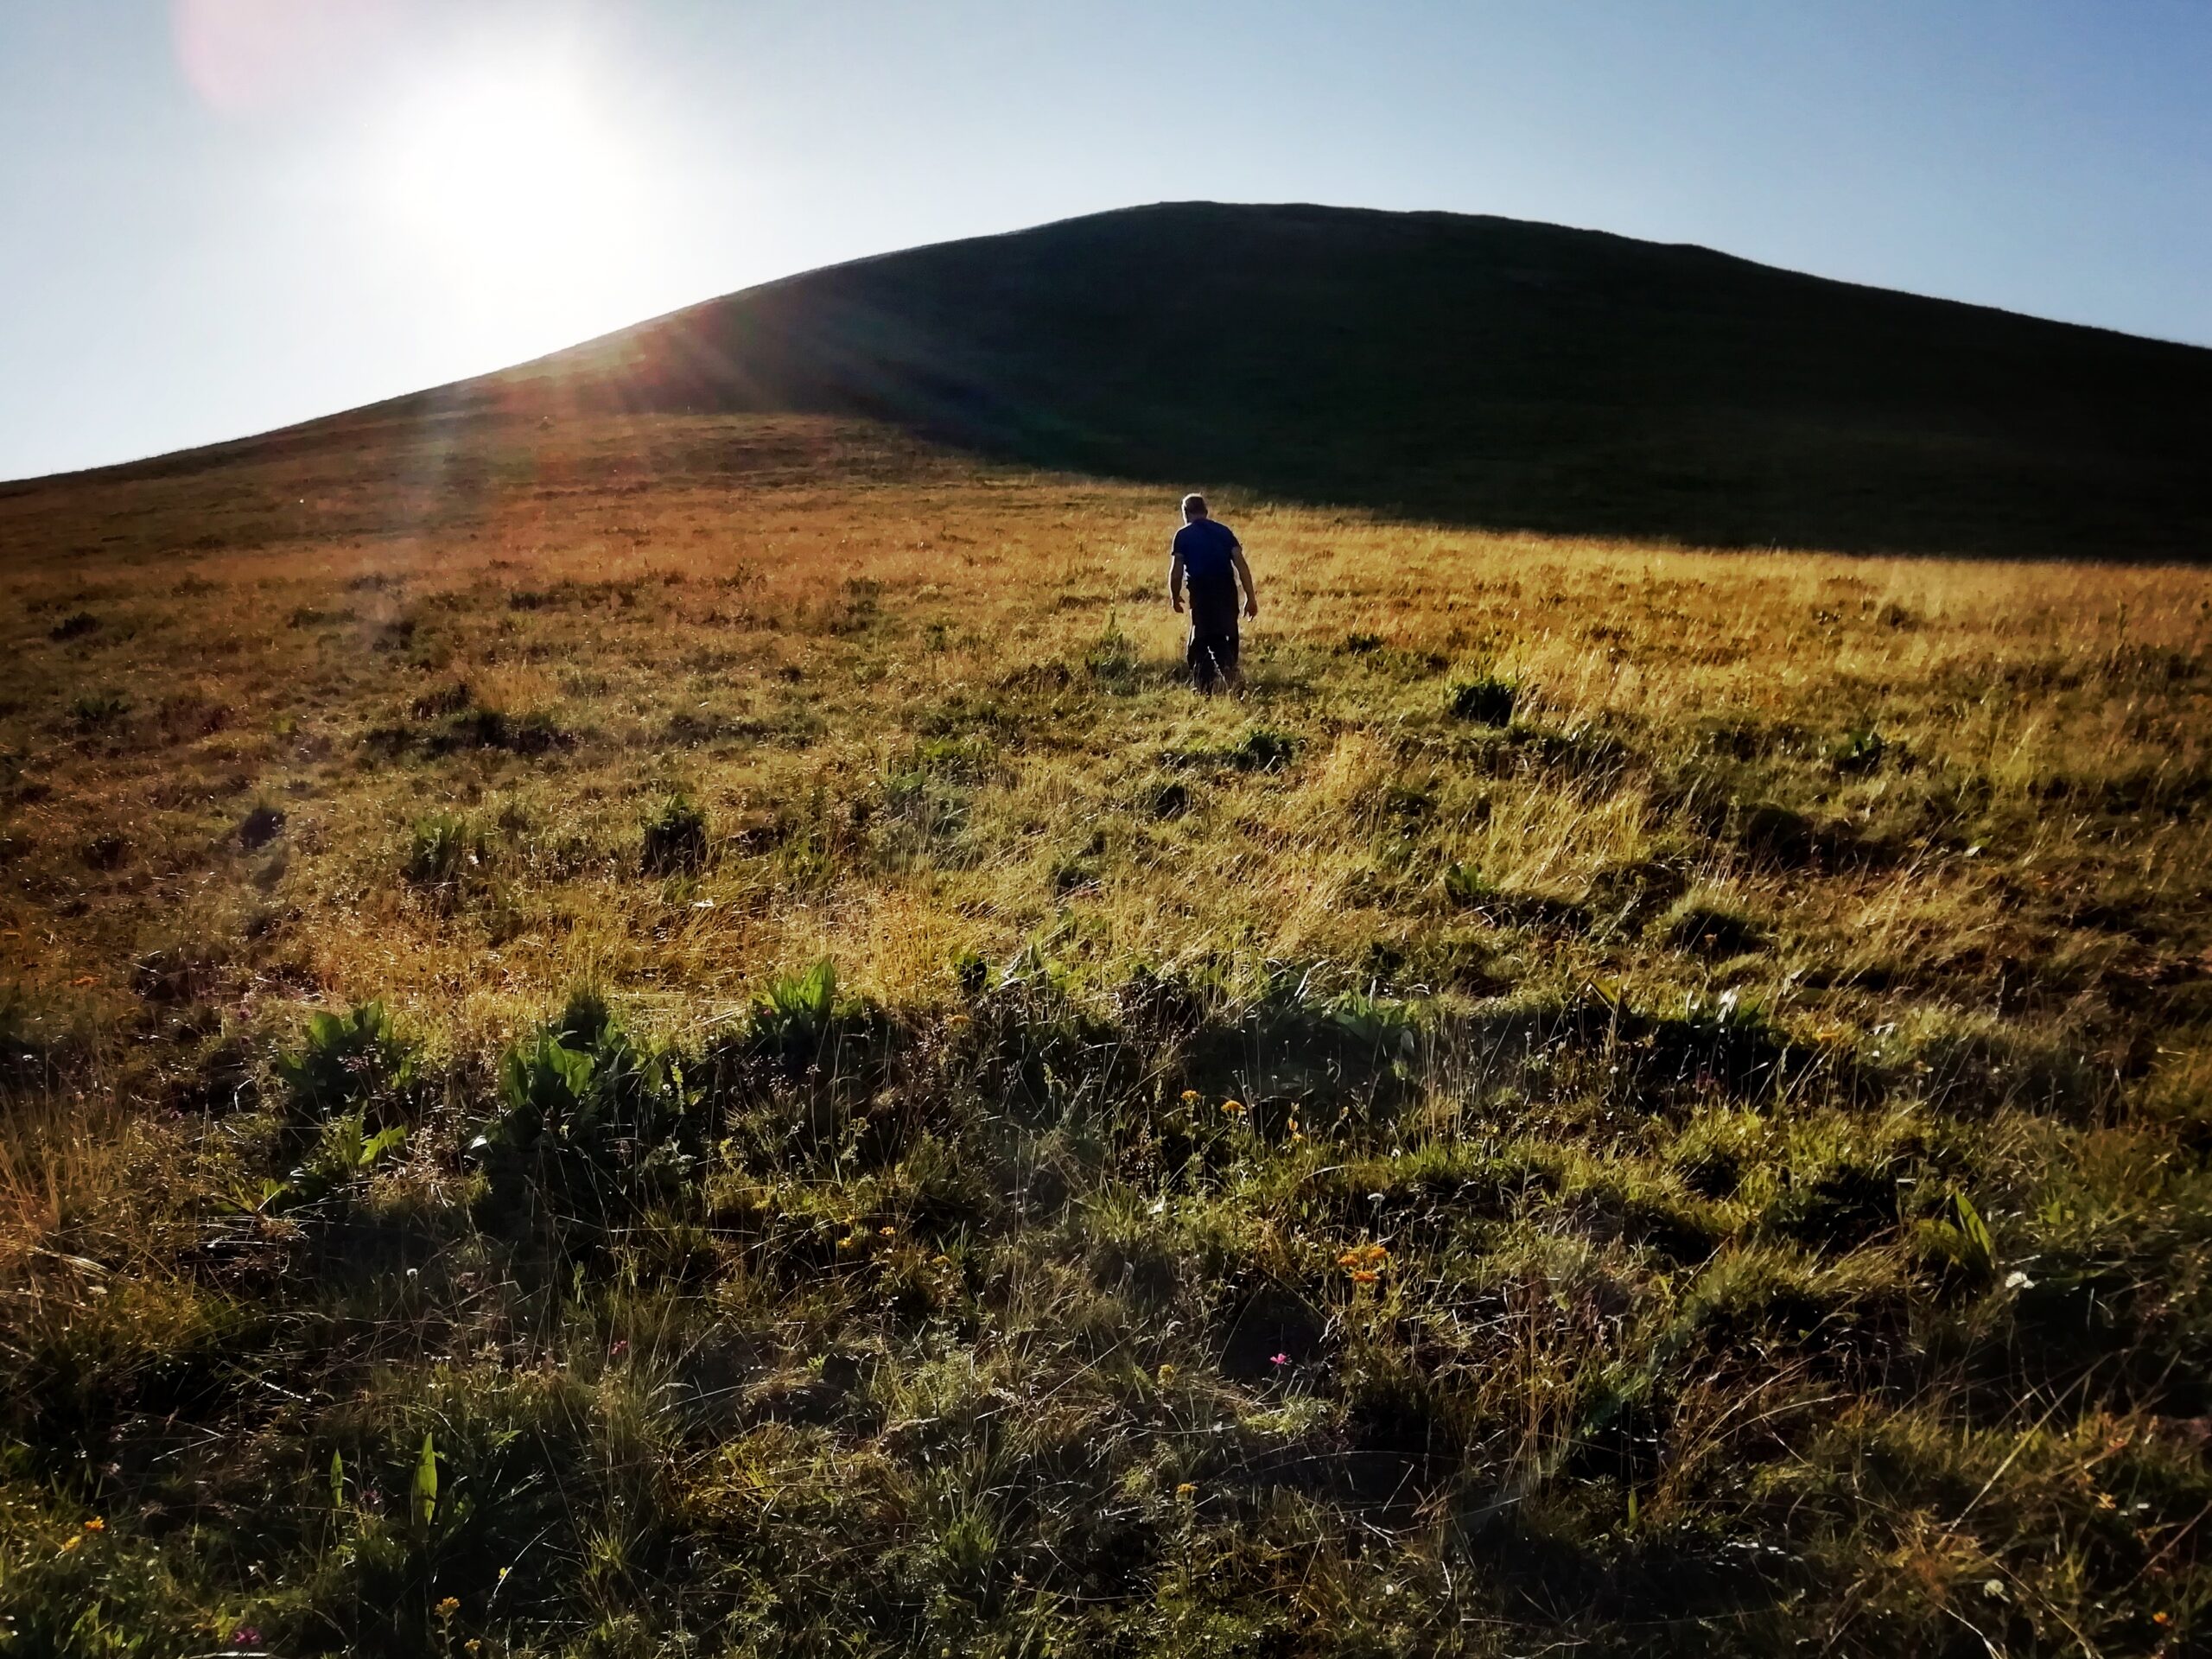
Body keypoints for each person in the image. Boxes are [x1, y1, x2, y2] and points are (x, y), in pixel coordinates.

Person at [1167, 493, 1258, 691]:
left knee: (1205, 640)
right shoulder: (1224, 532)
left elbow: (1176, 571)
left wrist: (1175, 596)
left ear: (1185, 513)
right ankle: (1221, 683)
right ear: (1206, 512)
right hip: (1227, 589)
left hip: (1202, 591)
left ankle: (1215, 687)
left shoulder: (1183, 535)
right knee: (1226, 634)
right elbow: (1241, 565)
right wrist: (1251, 598)